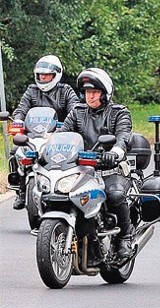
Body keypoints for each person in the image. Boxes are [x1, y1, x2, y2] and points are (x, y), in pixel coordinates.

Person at [58, 68, 134, 260]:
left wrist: (115, 153)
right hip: (82, 169)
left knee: (114, 195)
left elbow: (123, 136)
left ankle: (125, 236)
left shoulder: (118, 112)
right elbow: (62, 135)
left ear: (105, 94)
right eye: (87, 92)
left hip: (111, 169)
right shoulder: (77, 112)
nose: (90, 96)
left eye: (94, 92)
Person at [11, 55, 79, 210]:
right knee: (16, 150)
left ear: (56, 75)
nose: (43, 77)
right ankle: (21, 190)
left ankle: (66, 188)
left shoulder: (66, 91)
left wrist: (65, 126)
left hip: (58, 138)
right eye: (40, 74)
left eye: (47, 75)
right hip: (34, 137)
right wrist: (18, 121)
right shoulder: (32, 90)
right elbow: (21, 109)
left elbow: (75, 111)